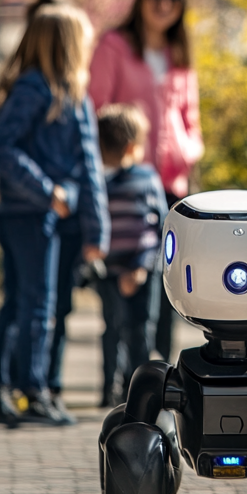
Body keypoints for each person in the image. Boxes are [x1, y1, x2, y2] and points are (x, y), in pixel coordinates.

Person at [0, 5, 109, 426]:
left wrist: (94, 228)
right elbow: (1, 148)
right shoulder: (38, 90)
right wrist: (46, 191)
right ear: (69, 44)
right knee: (36, 305)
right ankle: (30, 391)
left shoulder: (64, 92)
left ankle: (1, 392)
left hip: (36, 217)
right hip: (29, 217)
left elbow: (90, 168)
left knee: (22, 303)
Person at [89, 0, 203, 363]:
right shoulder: (114, 46)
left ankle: (163, 366)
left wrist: (186, 151)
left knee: (169, 277)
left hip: (171, 185)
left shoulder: (179, 55)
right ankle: (121, 374)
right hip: (124, 184)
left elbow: (191, 119)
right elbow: (95, 108)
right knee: (126, 281)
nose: (163, 3)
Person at [95, 104, 168, 407]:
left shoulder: (146, 178)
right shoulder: (100, 183)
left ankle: (139, 389)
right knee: (113, 328)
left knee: (140, 330)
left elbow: (159, 227)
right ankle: (109, 387)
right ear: (131, 146)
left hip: (142, 269)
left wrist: (139, 267)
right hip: (111, 272)